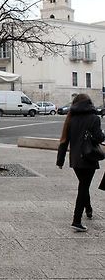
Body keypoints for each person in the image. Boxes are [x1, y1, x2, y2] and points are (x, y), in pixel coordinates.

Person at [57, 93, 105, 232]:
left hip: (76, 160)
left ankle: (88, 209)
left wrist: (60, 160)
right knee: (83, 187)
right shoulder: (94, 118)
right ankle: (76, 220)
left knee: (84, 184)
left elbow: (64, 140)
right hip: (89, 158)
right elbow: (98, 138)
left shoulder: (71, 118)